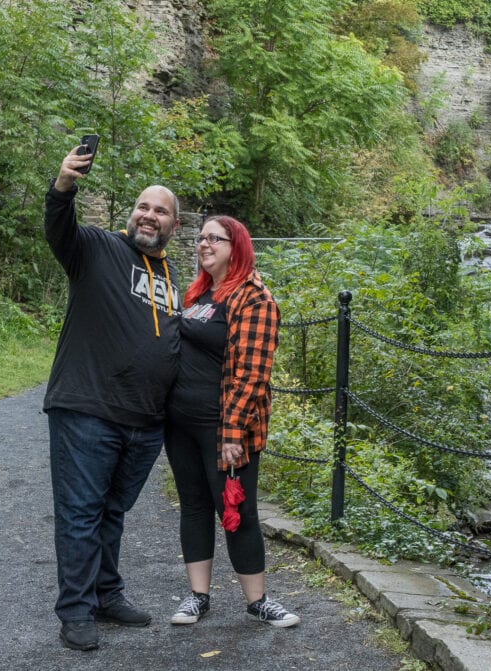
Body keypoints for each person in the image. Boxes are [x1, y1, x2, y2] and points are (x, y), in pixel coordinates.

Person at [43, 143, 181, 651]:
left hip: (144, 422)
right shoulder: (96, 248)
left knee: (111, 512)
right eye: (143, 206)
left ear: (174, 226)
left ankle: (106, 593)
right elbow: (58, 228)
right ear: (132, 214)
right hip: (87, 409)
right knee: (80, 512)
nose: (149, 215)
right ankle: (76, 611)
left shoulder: (171, 279)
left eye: (160, 210)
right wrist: (64, 184)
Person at [163, 215, 298, 628]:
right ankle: (197, 597)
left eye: (214, 239)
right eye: (201, 238)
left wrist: (233, 434)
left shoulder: (253, 297)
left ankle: (257, 602)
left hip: (223, 430)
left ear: (235, 246)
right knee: (194, 507)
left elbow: (252, 374)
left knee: (237, 511)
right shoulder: (201, 294)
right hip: (180, 423)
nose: (204, 244)